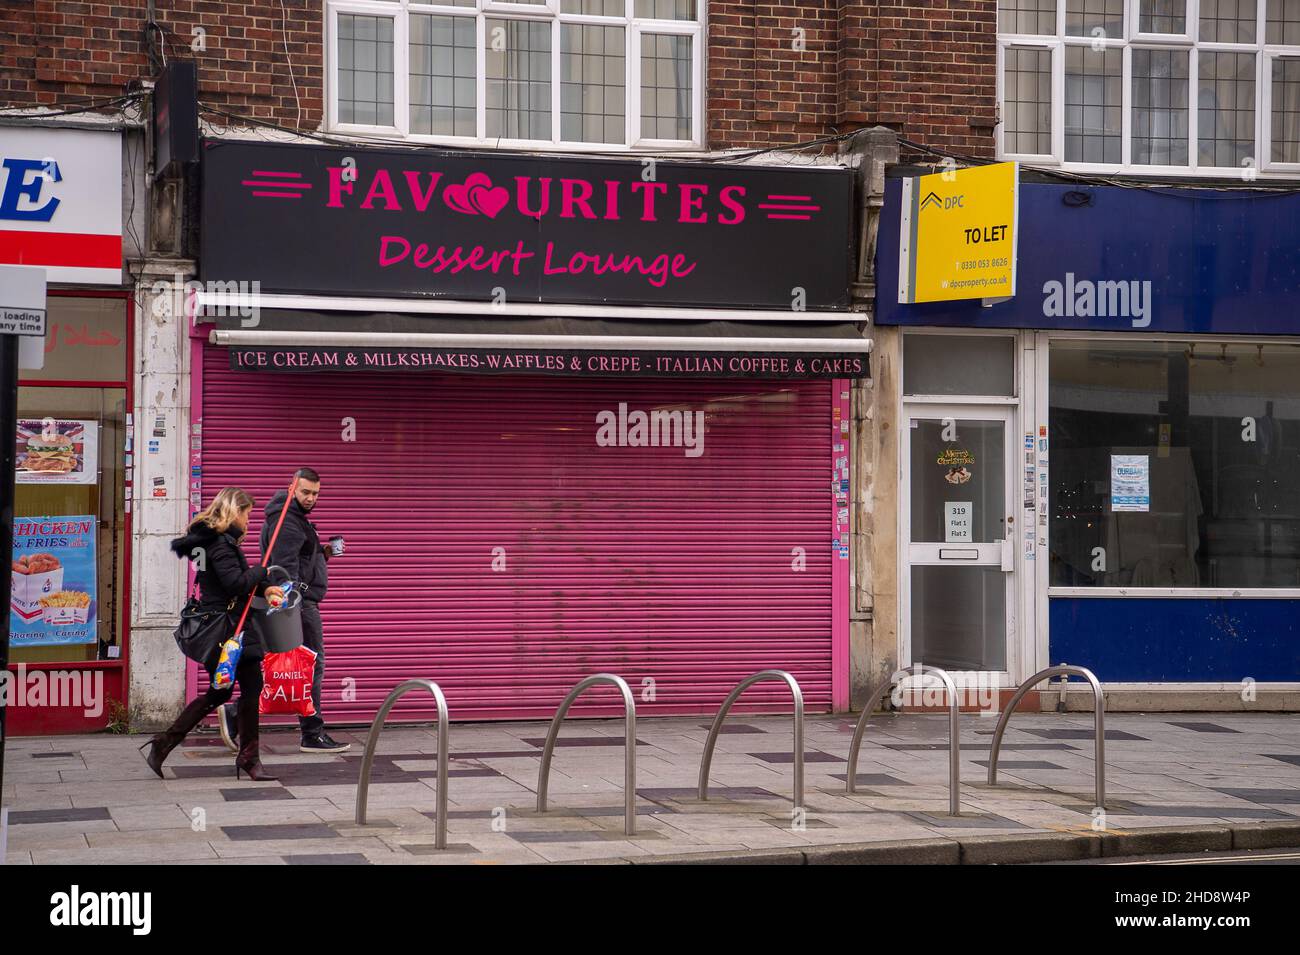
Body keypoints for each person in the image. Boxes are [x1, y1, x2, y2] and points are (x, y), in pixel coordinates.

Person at [140, 487, 284, 781]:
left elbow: (231, 583)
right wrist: (262, 571)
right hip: (229, 632)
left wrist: (265, 587)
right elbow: (235, 583)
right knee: (248, 689)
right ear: (233, 512)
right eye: (247, 514)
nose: (248, 521)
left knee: (223, 692)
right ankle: (247, 757)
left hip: (229, 628)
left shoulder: (215, 541)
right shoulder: (219, 544)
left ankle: (165, 743)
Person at [219, 467, 350, 754]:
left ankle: (238, 716)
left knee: (287, 668)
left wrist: (322, 553)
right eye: (305, 492)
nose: (311, 498)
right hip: (298, 607)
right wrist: (298, 597)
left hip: (296, 604)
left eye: (315, 493)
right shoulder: (289, 523)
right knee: (309, 666)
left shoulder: (294, 520)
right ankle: (311, 733)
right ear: (292, 488)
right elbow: (284, 569)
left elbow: (294, 559)